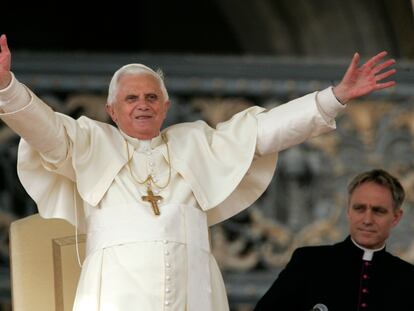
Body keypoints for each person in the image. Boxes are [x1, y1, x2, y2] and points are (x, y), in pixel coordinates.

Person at [0, 32, 397, 311]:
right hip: (116, 295)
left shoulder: (195, 143)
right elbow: (45, 128)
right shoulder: (88, 143)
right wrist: (7, 88)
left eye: (152, 96)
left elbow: (262, 133)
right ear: (112, 110)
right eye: (131, 98)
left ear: (166, 107)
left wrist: (333, 98)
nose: (143, 104)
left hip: (194, 291)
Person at [254, 169, 414, 311]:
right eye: (359, 208)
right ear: (348, 211)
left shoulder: (408, 278)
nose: (367, 219)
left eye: (378, 211)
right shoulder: (308, 263)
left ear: (395, 217)